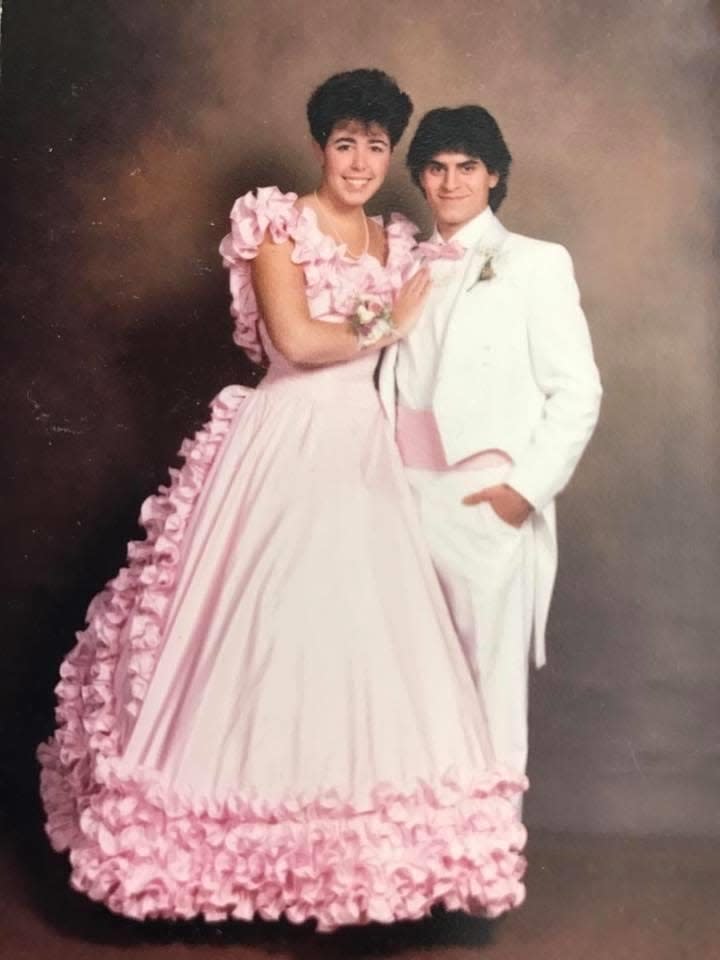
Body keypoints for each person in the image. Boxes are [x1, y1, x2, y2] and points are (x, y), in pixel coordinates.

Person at [38, 72, 526, 932]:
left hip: (368, 451)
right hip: (285, 441)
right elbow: (296, 341)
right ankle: (232, 866)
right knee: (267, 633)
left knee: (361, 645)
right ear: (320, 147)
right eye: (346, 143)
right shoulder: (274, 220)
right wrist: (389, 325)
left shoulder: (400, 237)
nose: (362, 161)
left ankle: (351, 869)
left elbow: (441, 359)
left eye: (378, 146)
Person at [379, 105, 602, 778]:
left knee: (488, 685)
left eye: (467, 168)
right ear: (419, 178)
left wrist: (522, 493)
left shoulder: (534, 263)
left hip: (483, 500)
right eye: (437, 169)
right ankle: (425, 853)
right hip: (398, 496)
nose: (451, 184)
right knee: (406, 680)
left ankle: (490, 863)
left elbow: (578, 391)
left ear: (493, 175)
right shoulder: (400, 262)